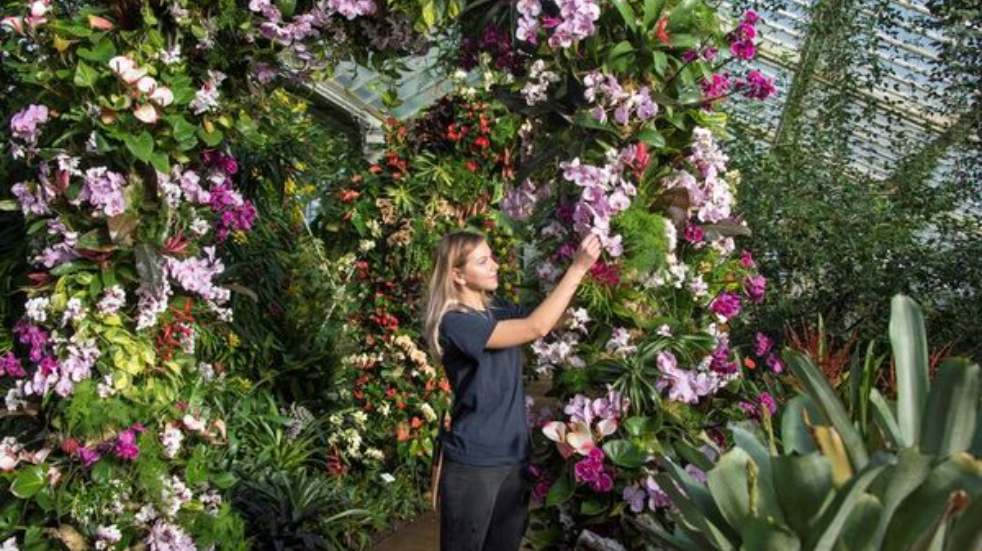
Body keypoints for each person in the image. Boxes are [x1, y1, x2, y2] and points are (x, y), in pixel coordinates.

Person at [423, 230, 602, 551]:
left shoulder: (498, 309)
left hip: (514, 457)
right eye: (483, 261)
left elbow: (549, 316)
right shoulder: (456, 322)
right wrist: (578, 268)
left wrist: (601, 279)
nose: (495, 265)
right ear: (457, 275)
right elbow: (537, 327)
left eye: (491, 256)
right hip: (475, 464)